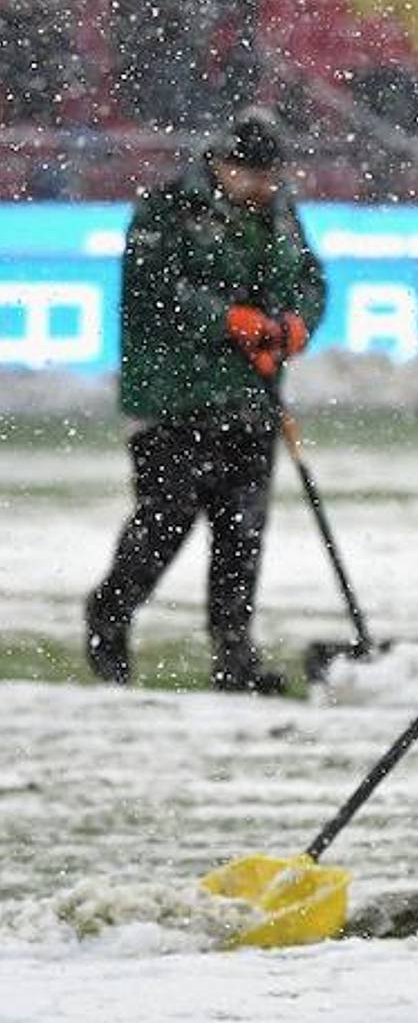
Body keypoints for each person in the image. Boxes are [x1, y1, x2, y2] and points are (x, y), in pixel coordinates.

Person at [84, 107, 327, 694]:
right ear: (218, 163)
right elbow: (155, 292)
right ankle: (109, 614)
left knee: (242, 530)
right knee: (166, 518)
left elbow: (309, 279)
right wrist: (227, 321)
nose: (262, 188)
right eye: (250, 175)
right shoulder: (164, 211)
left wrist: (296, 324)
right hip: (171, 400)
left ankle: (234, 656)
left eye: (270, 176)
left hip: (250, 398)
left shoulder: (281, 213)